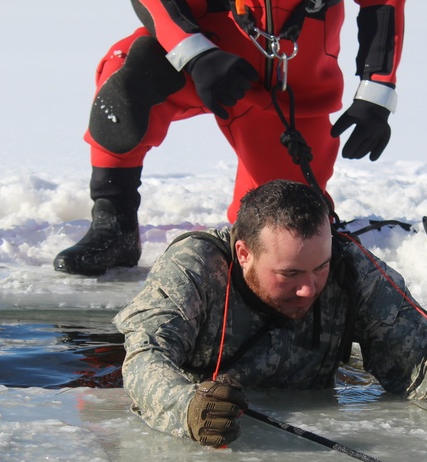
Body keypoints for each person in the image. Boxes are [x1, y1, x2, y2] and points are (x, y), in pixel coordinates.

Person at [114, 180, 427, 445]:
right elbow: (145, 357)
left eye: (319, 267)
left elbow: (423, 361)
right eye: (289, 273)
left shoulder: (349, 267)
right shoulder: (195, 267)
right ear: (244, 254)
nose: (308, 287)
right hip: (215, 418)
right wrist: (188, 409)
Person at [54, 0, 406, 276]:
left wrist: (376, 92)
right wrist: (196, 54)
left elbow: (383, 2)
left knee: (279, 234)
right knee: (128, 75)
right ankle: (113, 221)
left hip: (290, 92)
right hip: (203, 63)